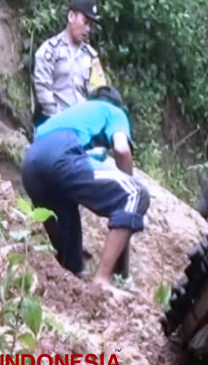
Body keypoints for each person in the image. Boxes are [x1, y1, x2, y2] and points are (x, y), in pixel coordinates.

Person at [22, 86, 147, 287]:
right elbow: (122, 150)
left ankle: (70, 277)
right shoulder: (114, 112)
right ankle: (102, 281)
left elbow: (86, 167)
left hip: (31, 164)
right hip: (61, 154)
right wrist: (126, 193)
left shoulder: (74, 113)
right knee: (136, 193)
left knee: (71, 247)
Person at [32, 0, 107, 127]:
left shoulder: (91, 57)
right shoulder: (49, 50)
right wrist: (60, 120)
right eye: (85, 22)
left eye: (91, 25)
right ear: (71, 17)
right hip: (54, 122)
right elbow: (43, 90)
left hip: (83, 123)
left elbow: (99, 92)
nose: (88, 29)